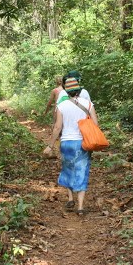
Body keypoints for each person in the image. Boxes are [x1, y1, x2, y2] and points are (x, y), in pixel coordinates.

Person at [43, 77, 98, 215]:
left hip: (67, 142)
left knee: (68, 169)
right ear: (79, 90)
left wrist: (50, 145)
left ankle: (70, 198)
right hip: (83, 143)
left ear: (66, 91)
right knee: (82, 171)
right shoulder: (88, 104)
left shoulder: (62, 106)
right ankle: (80, 207)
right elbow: (95, 125)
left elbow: (57, 127)